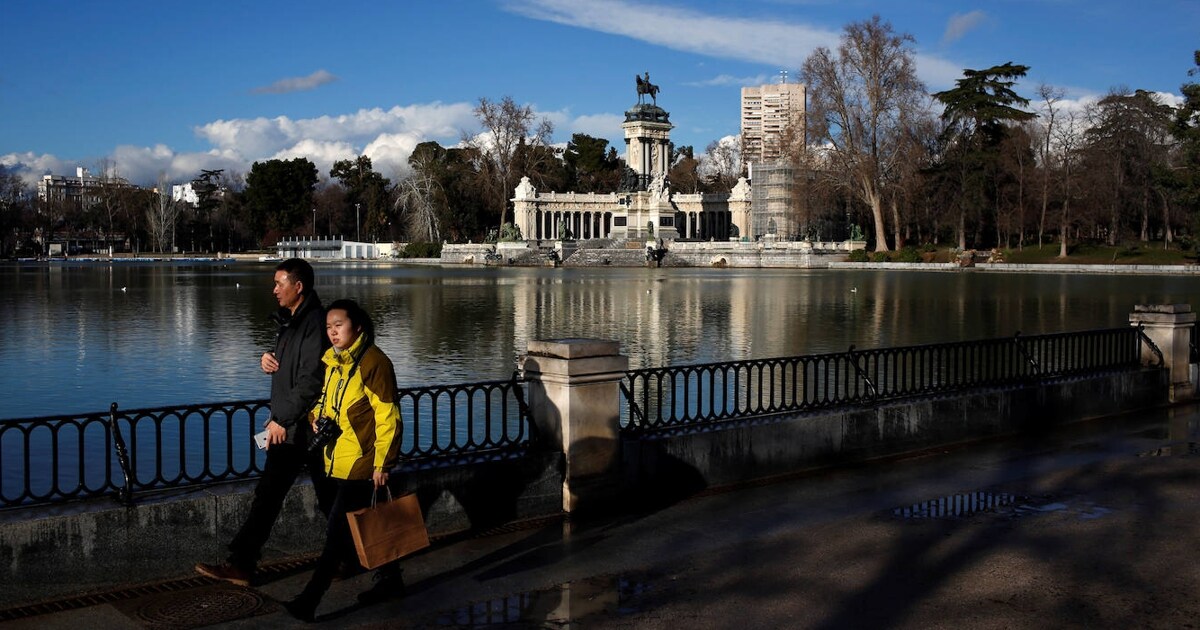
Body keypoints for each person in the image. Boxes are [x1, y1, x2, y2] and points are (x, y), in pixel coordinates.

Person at [195, 258, 330, 586]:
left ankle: (242, 564)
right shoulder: (292, 321)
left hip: (300, 427)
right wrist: (267, 360)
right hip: (293, 425)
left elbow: (312, 379)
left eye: (279, 284)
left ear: (298, 287)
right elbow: (291, 365)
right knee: (311, 497)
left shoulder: (314, 322)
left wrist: (282, 420)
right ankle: (243, 563)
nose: (273, 290)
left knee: (278, 496)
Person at [283, 299, 405, 622]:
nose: (333, 332)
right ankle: (391, 580)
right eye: (328, 327)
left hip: (362, 464)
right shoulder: (334, 362)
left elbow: (388, 416)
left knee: (336, 532)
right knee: (360, 525)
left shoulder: (374, 363)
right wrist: (314, 417)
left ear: (358, 326)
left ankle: (309, 601)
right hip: (335, 458)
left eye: (339, 325)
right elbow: (325, 401)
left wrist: (383, 463)